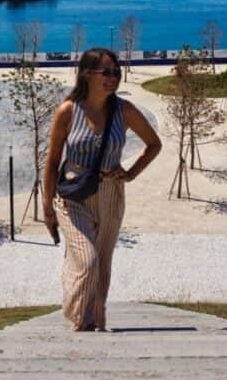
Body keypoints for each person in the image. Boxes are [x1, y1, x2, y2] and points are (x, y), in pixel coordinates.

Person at [43, 47, 161, 331]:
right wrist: (47, 208)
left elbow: (154, 144)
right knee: (88, 260)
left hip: (110, 193)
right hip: (73, 194)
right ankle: (80, 320)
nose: (113, 77)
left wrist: (131, 173)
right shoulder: (68, 111)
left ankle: (97, 320)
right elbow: (52, 161)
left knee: (103, 263)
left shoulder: (125, 110)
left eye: (116, 72)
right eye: (106, 72)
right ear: (87, 74)